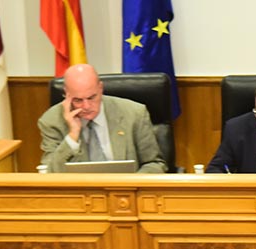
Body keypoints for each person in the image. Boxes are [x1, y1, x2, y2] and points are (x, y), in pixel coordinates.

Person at [38, 64, 166, 174]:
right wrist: (72, 136)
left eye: (92, 97)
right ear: (66, 93)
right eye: (78, 100)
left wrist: (130, 185)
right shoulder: (51, 121)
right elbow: (50, 173)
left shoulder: (134, 113)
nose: (86, 106)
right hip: (79, 197)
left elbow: (154, 164)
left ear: (100, 88)